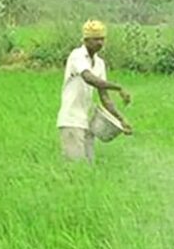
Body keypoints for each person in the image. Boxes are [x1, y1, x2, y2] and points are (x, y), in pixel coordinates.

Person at [56, 20, 133, 163]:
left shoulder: (99, 63)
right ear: (86, 40)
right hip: (71, 121)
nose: (100, 43)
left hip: (87, 122)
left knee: (88, 166)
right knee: (75, 168)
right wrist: (118, 87)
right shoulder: (77, 56)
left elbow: (105, 97)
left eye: (102, 39)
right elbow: (89, 78)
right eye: (96, 39)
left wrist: (121, 120)